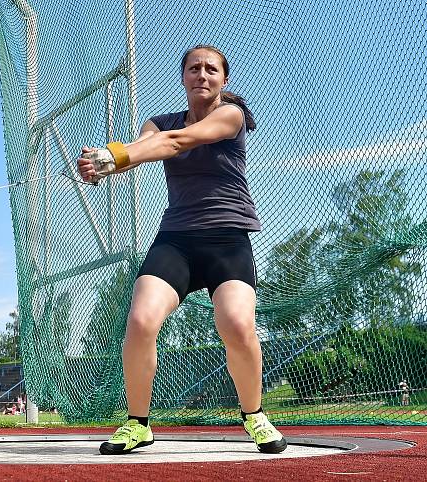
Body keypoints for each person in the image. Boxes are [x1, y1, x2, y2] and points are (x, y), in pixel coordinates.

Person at [78, 44, 286, 456]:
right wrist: (105, 163)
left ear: (224, 79)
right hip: (178, 240)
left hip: (228, 239)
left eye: (211, 69)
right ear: (184, 77)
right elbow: (150, 147)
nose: (202, 75)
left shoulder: (232, 115)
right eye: (194, 68)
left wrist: (114, 154)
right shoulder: (158, 122)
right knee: (140, 319)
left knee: (236, 325)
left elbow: (178, 143)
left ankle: (255, 415)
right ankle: (137, 424)